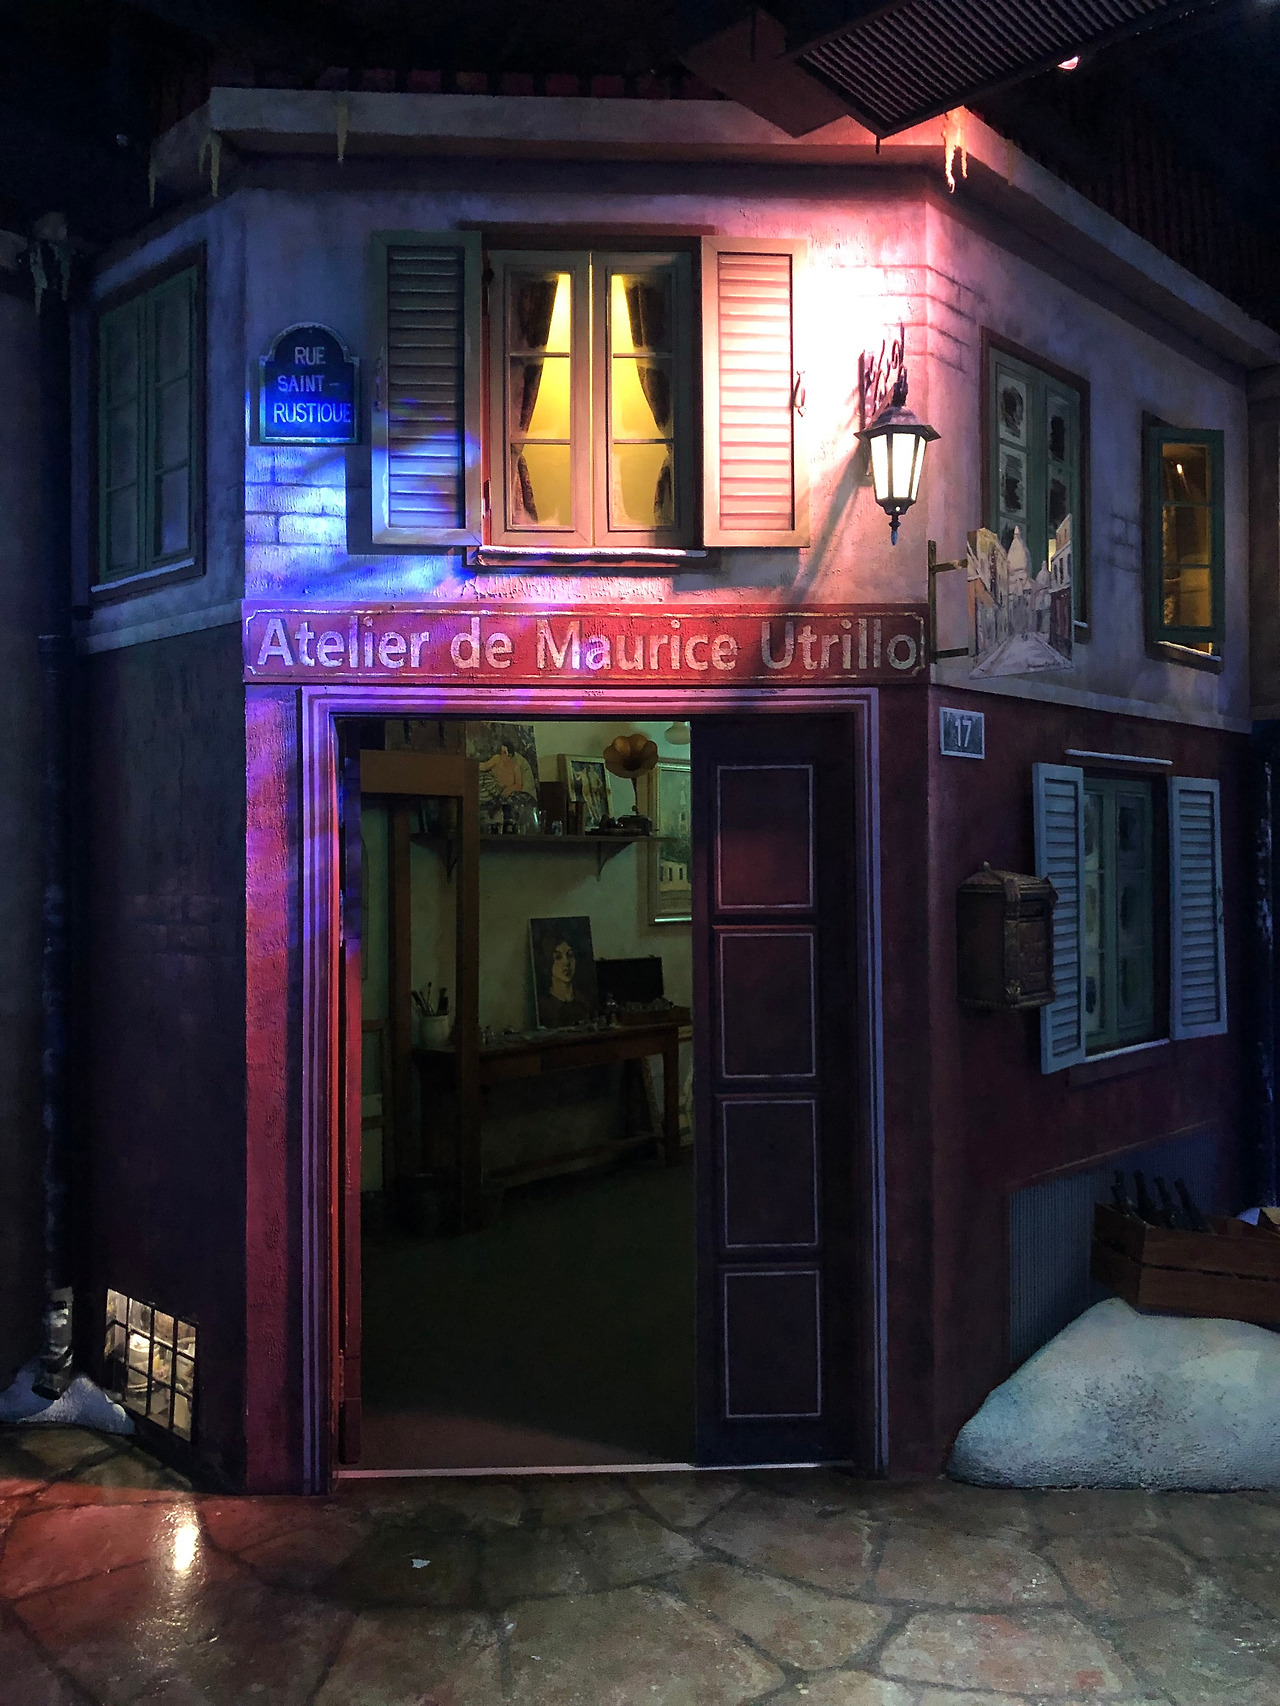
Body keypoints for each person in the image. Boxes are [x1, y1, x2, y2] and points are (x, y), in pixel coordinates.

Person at [538, 937, 593, 1027]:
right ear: (548, 962)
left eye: (570, 955)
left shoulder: (585, 1003)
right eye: (558, 957)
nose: (566, 962)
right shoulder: (543, 1007)